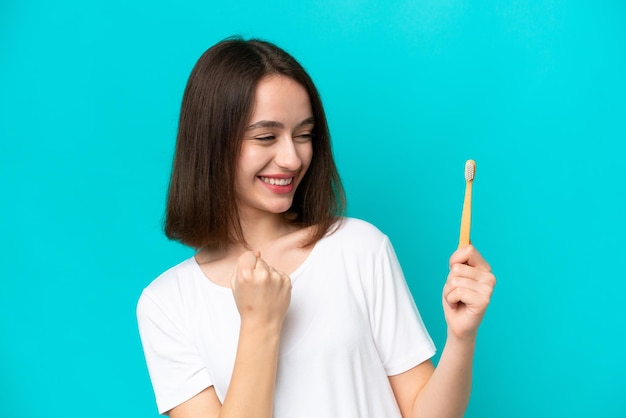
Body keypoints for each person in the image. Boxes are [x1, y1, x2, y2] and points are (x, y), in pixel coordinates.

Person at [137, 37, 496, 418]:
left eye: (304, 135)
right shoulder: (167, 305)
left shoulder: (360, 248)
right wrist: (260, 323)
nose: (292, 158)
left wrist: (461, 337)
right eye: (266, 137)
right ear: (212, 143)